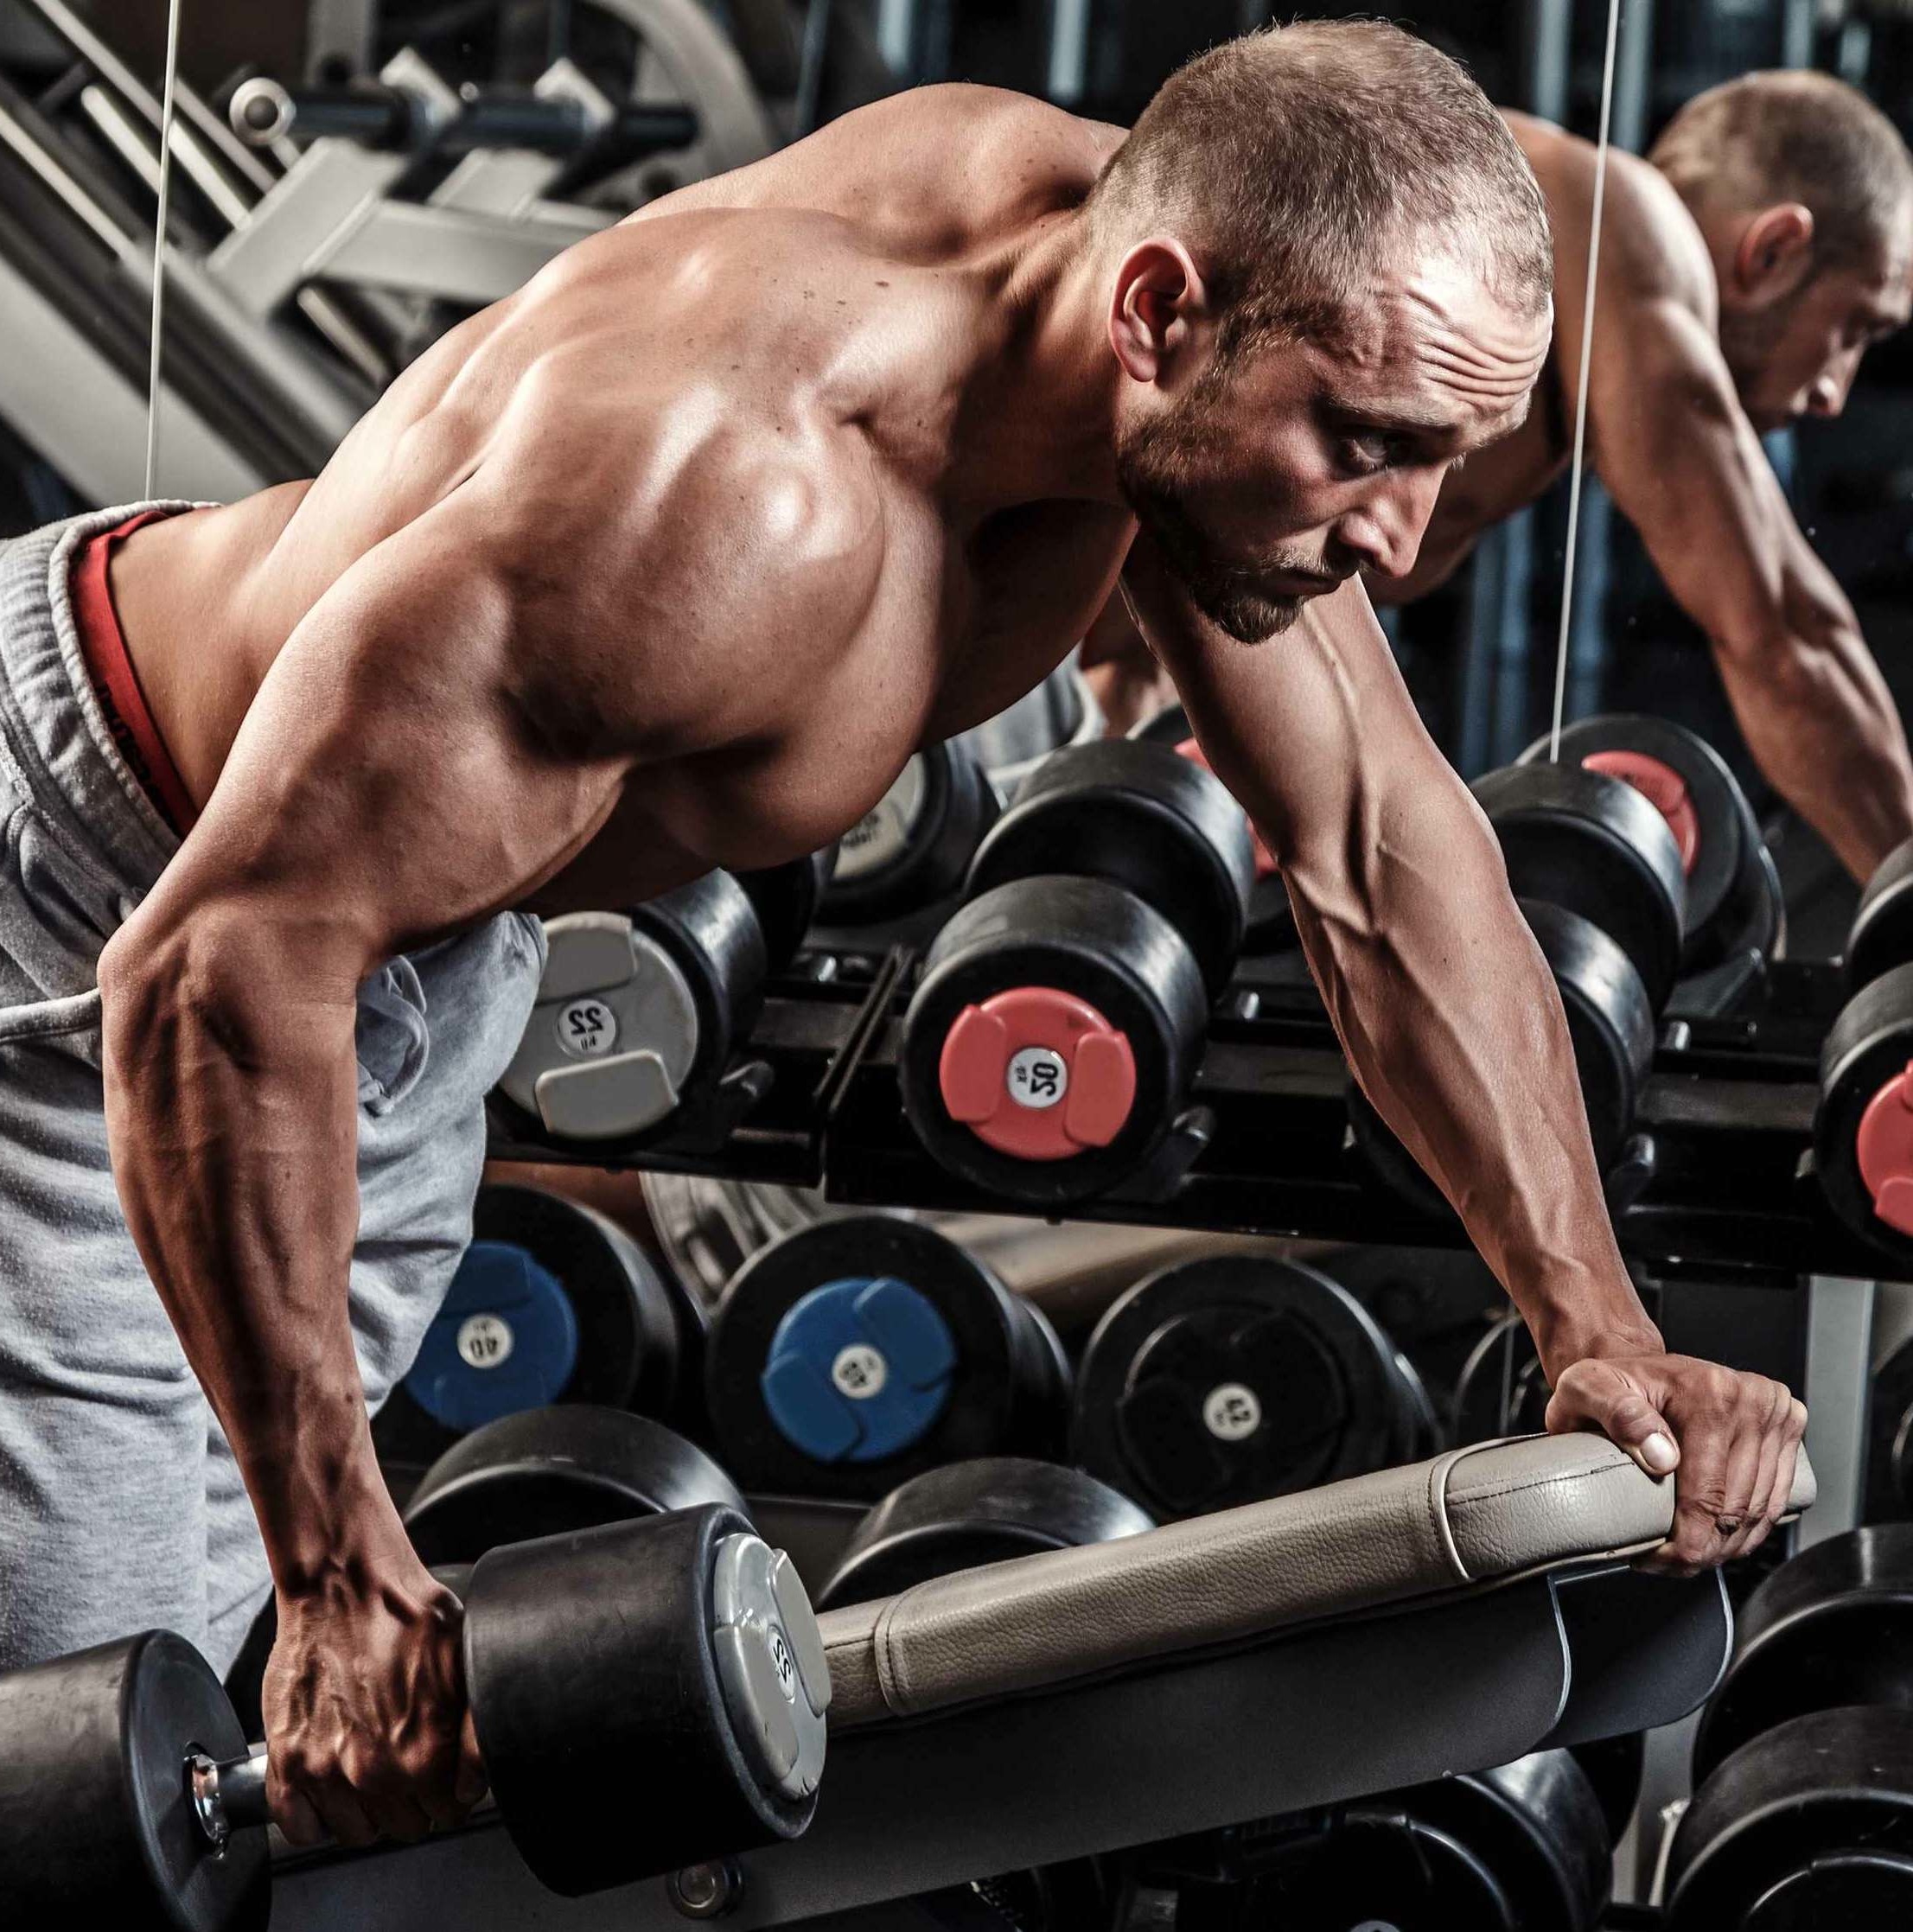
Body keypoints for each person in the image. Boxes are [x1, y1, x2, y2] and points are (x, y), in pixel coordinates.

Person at [0, 22, 1802, 1852]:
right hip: (110, 908)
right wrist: (343, 1582)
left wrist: (1593, 1324)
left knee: (214, 1730)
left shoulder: (1182, 306)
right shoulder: (717, 495)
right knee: (89, 1741)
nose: (1400, 542)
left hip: (397, 959)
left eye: (1438, 460)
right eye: (1363, 449)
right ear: (1156, 314)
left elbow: (1382, 847)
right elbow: (212, 972)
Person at [1087, 69, 1913, 880]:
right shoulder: (1620, 225)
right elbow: (1784, 631)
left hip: (1073, 663)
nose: (1836, 391)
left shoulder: (1575, 337)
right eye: (1853, 326)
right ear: (1773, 251)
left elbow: (1184, 587)